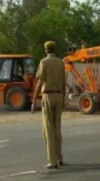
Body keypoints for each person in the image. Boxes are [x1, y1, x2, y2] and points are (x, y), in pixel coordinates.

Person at [31, 40, 66, 169]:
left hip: (47, 96)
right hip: (58, 95)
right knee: (58, 128)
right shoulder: (60, 62)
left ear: (46, 50)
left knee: (49, 129)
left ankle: (53, 160)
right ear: (54, 49)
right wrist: (63, 98)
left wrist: (34, 100)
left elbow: (39, 82)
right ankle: (60, 157)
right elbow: (64, 83)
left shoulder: (44, 62)